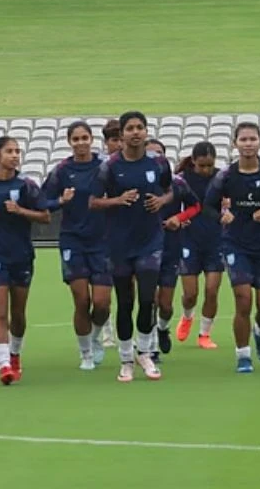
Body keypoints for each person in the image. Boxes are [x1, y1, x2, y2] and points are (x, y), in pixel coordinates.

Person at [203, 122, 260, 373]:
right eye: (243, 139)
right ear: (235, 144)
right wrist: (221, 216)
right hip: (236, 243)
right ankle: (243, 355)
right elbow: (207, 205)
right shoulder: (226, 175)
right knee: (243, 300)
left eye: (252, 139)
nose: (248, 144)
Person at [90, 111, 171, 382]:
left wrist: (162, 201)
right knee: (125, 302)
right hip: (120, 243)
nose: (135, 132)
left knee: (148, 299)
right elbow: (93, 201)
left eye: (140, 127)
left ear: (146, 131)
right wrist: (117, 200)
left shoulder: (158, 163)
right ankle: (126, 359)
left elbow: (171, 190)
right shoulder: (110, 167)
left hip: (150, 241)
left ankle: (144, 352)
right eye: (130, 128)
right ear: (122, 134)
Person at [0, 136, 50, 385]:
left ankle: (15, 354)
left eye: (17, 151)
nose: (15, 155)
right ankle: (4, 363)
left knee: (18, 313)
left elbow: (45, 216)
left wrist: (21, 211)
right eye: (9, 151)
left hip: (21, 255)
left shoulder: (27, 185)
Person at [42, 121, 112, 370]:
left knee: (102, 303)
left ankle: (95, 337)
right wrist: (61, 201)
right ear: (69, 142)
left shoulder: (105, 167)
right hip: (73, 239)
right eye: (76, 139)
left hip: (102, 241)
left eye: (85, 138)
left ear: (91, 139)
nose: (81, 143)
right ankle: (86, 354)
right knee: (81, 300)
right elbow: (43, 202)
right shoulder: (62, 170)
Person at [145, 139, 200, 359]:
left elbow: (195, 205)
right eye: (150, 154)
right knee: (148, 300)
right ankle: (150, 347)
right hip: (144, 247)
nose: (155, 157)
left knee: (165, 304)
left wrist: (179, 217)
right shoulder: (138, 182)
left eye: (158, 153)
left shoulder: (177, 183)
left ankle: (163, 328)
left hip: (171, 246)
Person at [174, 142, 223, 349]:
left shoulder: (222, 178)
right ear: (193, 161)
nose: (206, 170)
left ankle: (205, 334)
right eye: (202, 165)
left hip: (216, 240)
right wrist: (179, 217)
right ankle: (187, 317)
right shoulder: (182, 179)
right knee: (190, 294)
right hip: (189, 239)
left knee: (211, 291)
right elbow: (174, 204)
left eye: (209, 165)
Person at [98, 120, 122, 348]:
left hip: (129, 233)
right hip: (102, 234)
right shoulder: (101, 168)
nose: (119, 144)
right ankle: (105, 331)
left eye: (121, 139)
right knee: (104, 291)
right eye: (114, 140)